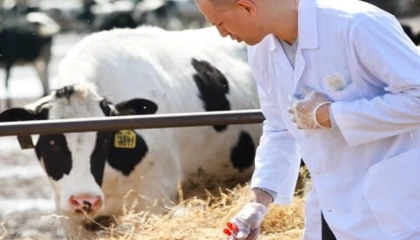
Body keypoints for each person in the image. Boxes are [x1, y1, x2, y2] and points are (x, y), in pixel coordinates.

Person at [194, 0, 420, 239]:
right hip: (330, 212)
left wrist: (331, 115)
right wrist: (258, 203)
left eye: (219, 23)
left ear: (247, 7)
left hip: (396, 211)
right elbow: (280, 126)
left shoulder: (357, 23)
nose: (221, 33)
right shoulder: (261, 49)